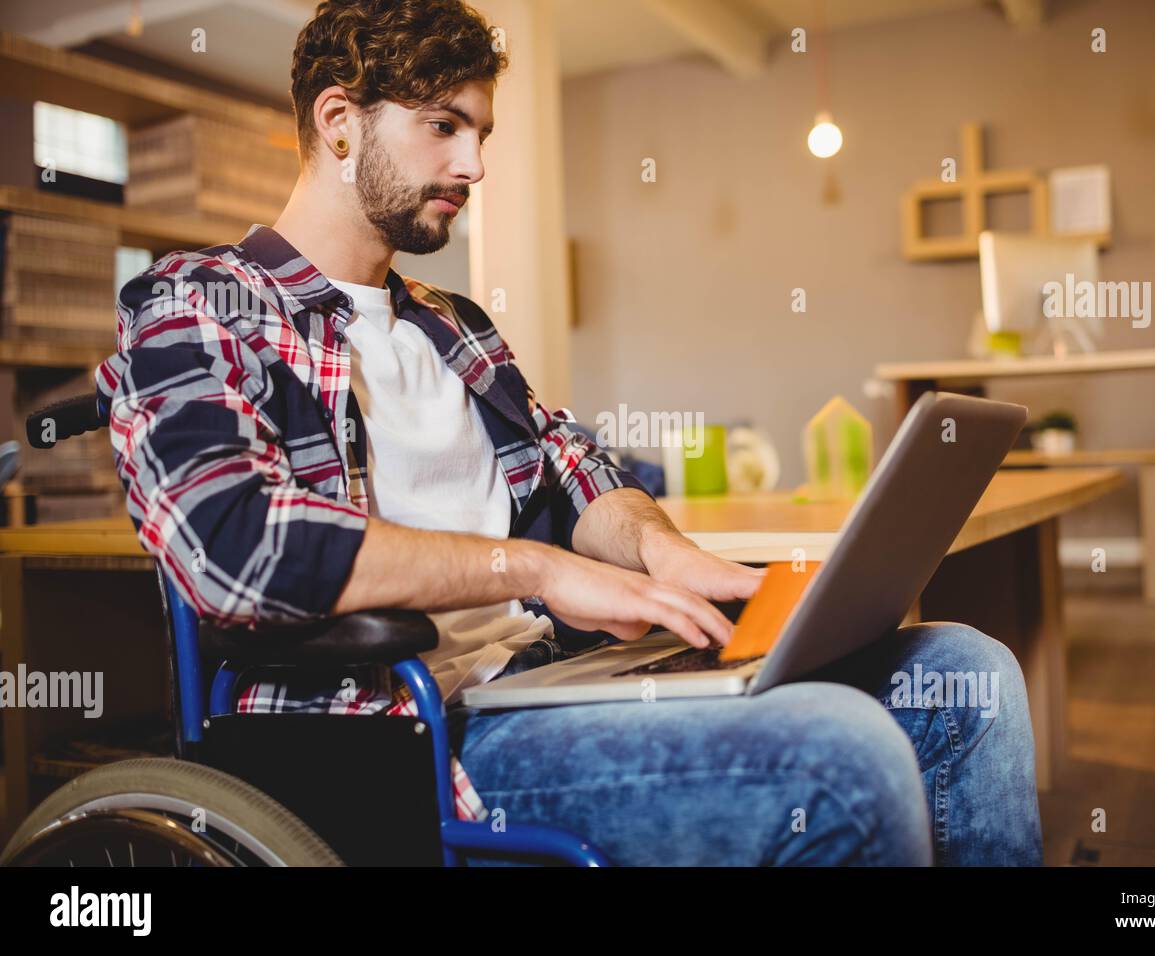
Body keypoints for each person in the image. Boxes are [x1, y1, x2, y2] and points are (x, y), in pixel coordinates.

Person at [95, 0, 1041, 865]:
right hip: (418, 732)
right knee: (844, 758)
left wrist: (662, 554)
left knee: (964, 673)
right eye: (442, 127)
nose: (473, 166)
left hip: (553, 677)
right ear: (338, 122)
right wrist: (537, 570)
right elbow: (237, 548)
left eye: (480, 132)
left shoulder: (453, 323)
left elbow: (579, 470)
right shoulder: (201, 303)